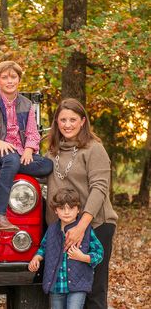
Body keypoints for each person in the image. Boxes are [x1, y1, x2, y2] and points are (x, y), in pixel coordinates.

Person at [46, 98, 118, 309]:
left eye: (73, 119)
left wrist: (81, 226)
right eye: (63, 120)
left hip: (95, 225)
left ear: (83, 121)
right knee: (65, 287)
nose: (67, 125)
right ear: (56, 122)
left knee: (93, 289)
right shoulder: (52, 151)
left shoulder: (94, 149)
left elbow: (99, 188)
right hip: (62, 228)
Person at [0, 61, 53, 232]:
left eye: (13, 77)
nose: (9, 81)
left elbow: (32, 133)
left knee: (47, 165)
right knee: (11, 159)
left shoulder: (27, 104)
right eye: (4, 77)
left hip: (19, 152)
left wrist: (29, 149)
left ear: (19, 79)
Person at [29, 188, 104, 309]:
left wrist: (83, 257)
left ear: (78, 209)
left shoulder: (85, 230)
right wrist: (37, 258)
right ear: (55, 210)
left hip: (78, 284)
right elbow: (43, 247)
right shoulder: (52, 229)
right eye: (62, 208)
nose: (66, 212)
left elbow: (99, 253)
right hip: (56, 284)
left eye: (71, 208)